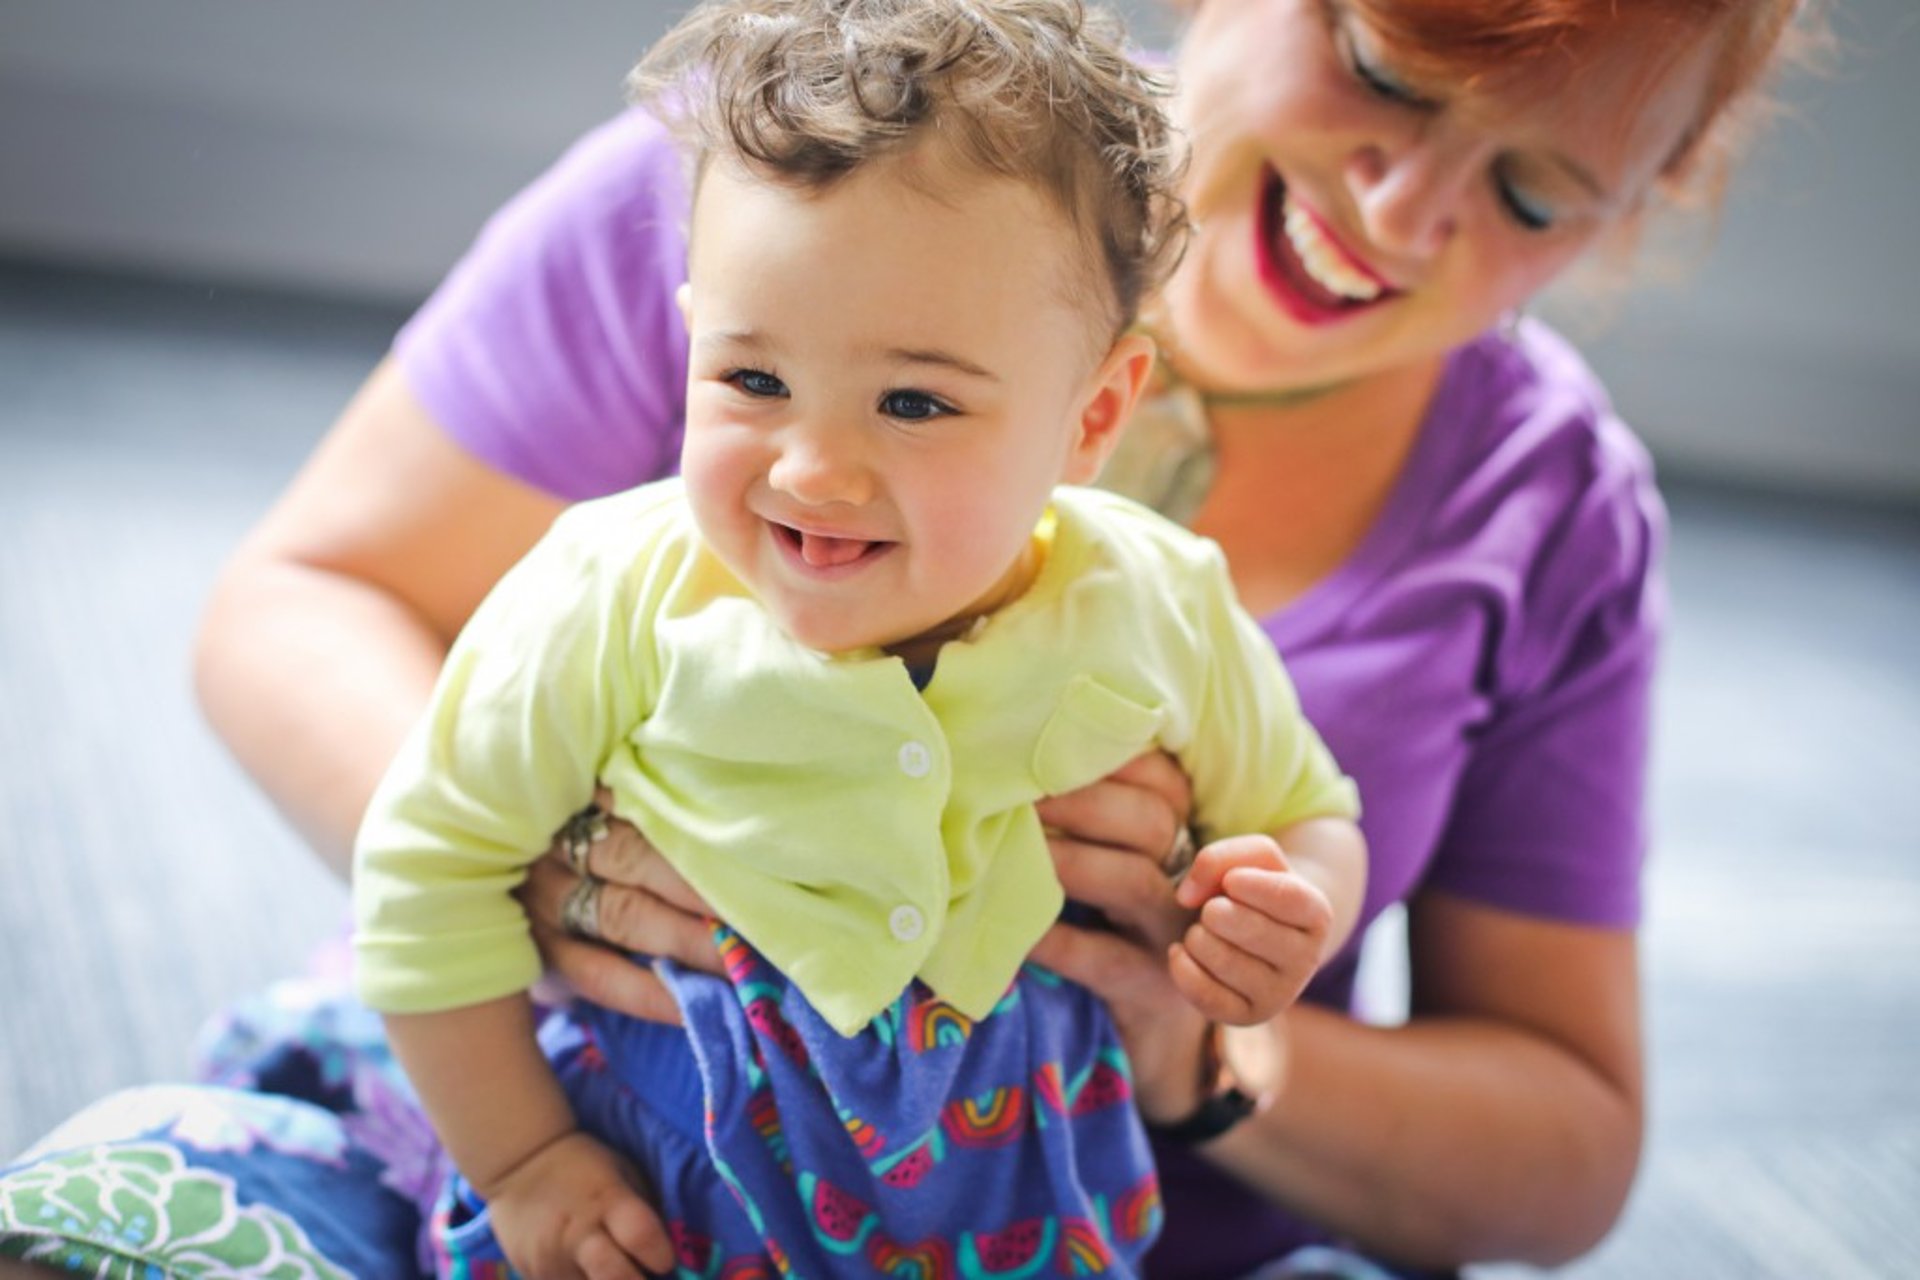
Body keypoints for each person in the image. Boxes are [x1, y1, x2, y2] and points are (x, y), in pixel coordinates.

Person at [0, 0, 1818, 1277]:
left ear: (1094, 420)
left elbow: (1562, 1147)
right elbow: (300, 598)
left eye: (1534, 196)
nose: (1405, 212)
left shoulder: (1511, 520)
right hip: (574, 1127)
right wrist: (545, 892)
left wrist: (1207, 1049)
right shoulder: (789, 179)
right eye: (1386, 70)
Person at [351, 1, 1366, 1276]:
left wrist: (1290, 913)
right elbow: (423, 869)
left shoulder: (1159, 601)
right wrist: (521, 1161)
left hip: (1026, 1222)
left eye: (914, 401)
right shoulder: (616, 592)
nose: (816, 471)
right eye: (752, 381)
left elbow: (1309, 809)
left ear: (1092, 412)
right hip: (654, 1206)